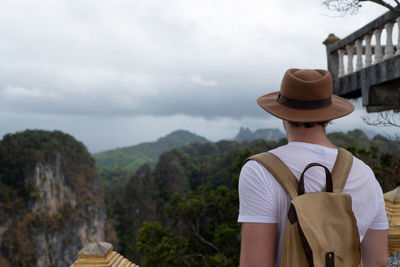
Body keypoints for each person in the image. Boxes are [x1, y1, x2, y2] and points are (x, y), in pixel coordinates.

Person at [238, 68, 388, 267]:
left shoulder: (259, 171)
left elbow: (255, 264)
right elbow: (377, 261)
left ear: (282, 114)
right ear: (329, 114)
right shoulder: (364, 174)